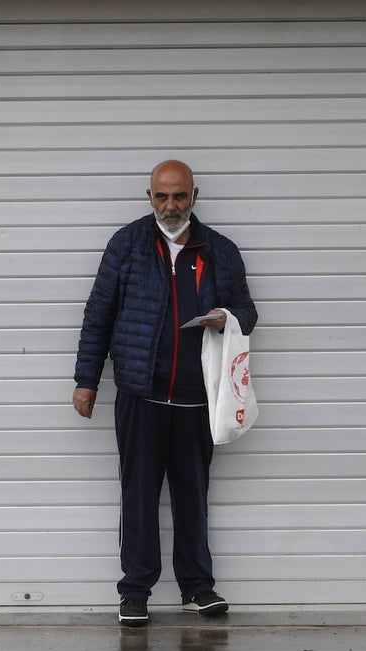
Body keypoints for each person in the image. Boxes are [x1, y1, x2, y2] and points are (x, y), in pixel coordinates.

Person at [73, 160, 257, 626]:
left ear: (195, 195)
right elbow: (99, 315)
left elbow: (247, 312)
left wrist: (225, 318)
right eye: (161, 196)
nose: (170, 206)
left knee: (193, 496)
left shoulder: (219, 250)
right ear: (149, 196)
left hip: (197, 399)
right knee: (138, 496)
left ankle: (198, 589)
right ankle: (135, 592)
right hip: (141, 393)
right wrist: (86, 379)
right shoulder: (128, 244)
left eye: (179, 196)